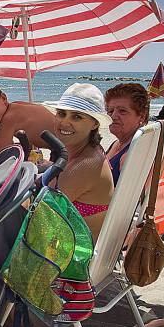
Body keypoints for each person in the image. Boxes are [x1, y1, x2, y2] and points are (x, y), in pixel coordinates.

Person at [46, 84, 115, 241]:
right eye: (61, 114)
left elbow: (44, 210)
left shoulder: (87, 164)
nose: (64, 122)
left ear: (95, 123)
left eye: (76, 117)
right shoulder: (86, 151)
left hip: (73, 257)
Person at [0, 83, 58, 158]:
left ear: (3, 98)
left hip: (65, 147)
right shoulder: (17, 106)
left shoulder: (9, 118)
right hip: (61, 145)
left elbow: (3, 155)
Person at [104, 83, 149, 186]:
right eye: (110, 111)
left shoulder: (133, 154)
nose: (113, 116)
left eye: (122, 111)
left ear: (142, 116)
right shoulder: (117, 143)